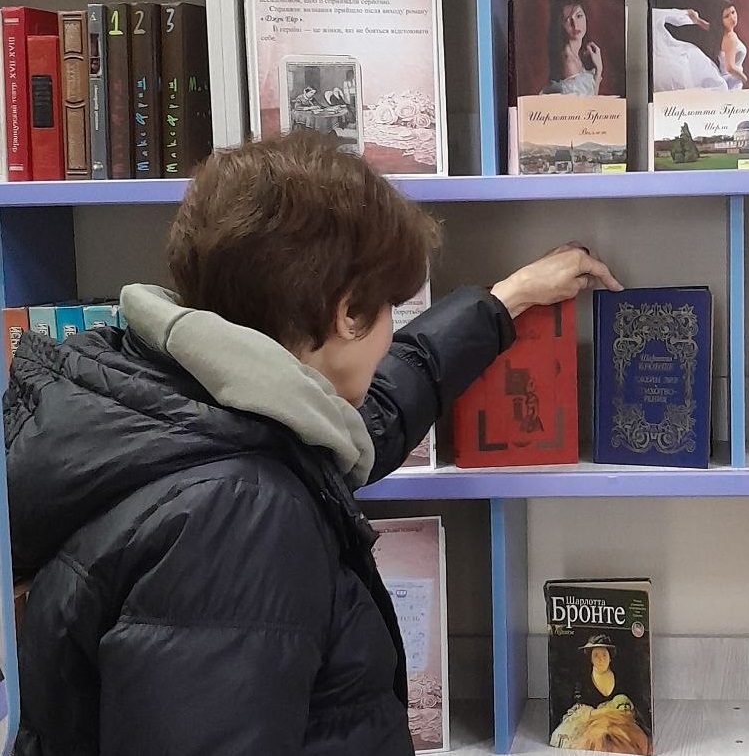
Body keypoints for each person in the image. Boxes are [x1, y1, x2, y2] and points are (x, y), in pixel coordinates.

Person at [6, 130, 621, 756]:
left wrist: (506, 300)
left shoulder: (169, 404)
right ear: (348, 315)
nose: (389, 332)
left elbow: (368, 420)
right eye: (391, 308)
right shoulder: (241, 518)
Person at [651, 6, 728, 92]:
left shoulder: (652, 14)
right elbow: (685, 15)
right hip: (667, 59)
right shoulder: (652, 14)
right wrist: (692, 17)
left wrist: (693, 17)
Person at [540, 0, 605, 97]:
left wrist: (598, 70)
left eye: (579, 16)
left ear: (586, 17)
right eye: (568, 20)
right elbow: (588, 104)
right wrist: (599, 69)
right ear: (561, 25)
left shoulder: (581, 53)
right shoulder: (568, 61)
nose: (575, 25)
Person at [717, 0, 748, 90]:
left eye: (733, 12)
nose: (732, 17)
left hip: (729, 80)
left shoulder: (725, 35)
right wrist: (744, 79)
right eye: (726, 16)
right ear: (721, 20)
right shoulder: (730, 37)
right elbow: (730, 67)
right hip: (732, 82)